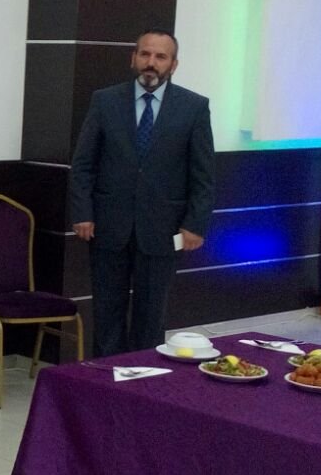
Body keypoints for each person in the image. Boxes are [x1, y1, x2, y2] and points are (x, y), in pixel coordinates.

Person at [70, 29, 214, 356]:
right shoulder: (105, 101)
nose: (152, 62)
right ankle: (107, 376)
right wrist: (82, 212)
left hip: (163, 228)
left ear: (173, 65)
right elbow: (84, 164)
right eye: (145, 54)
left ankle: (146, 376)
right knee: (107, 311)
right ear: (133, 58)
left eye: (161, 57)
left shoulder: (193, 107)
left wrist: (195, 224)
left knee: (151, 314)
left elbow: (203, 175)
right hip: (108, 225)